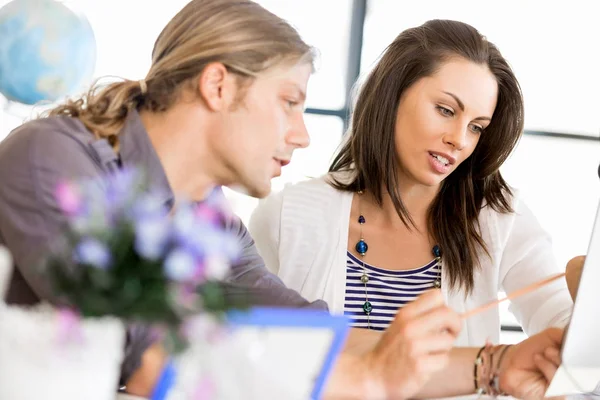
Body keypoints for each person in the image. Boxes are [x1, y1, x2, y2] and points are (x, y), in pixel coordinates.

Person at [0, 1, 562, 399]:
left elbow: (309, 335)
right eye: (289, 102)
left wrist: (493, 366)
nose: (302, 133)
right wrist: (369, 384)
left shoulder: (208, 219)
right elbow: (149, 360)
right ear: (219, 86)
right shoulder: (52, 160)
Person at [249, 19, 573, 345]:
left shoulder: (500, 220)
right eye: (446, 110)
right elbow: (245, 354)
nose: (459, 139)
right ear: (393, 93)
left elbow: (565, 330)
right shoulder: (286, 216)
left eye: (476, 127)